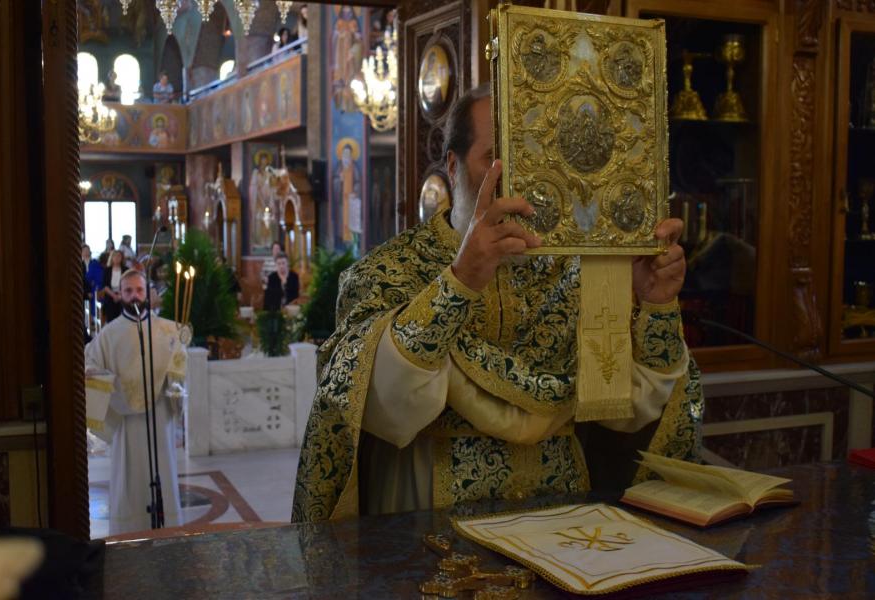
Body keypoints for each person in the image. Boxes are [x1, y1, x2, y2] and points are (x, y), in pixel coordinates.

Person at [292, 85, 700, 522]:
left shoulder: (580, 273)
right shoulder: (388, 270)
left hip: (560, 518)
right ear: (453, 166)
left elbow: (630, 410)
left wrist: (654, 304)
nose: (518, 181)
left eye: (532, 158)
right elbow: (382, 410)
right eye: (496, 158)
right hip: (429, 508)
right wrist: (460, 281)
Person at [85, 269, 186, 535]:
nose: (134, 296)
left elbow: (179, 373)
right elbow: (89, 363)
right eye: (128, 291)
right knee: (129, 476)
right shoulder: (108, 334)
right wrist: (102, 378)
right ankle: (130, 532)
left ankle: (166, 531)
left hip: (160, 417)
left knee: (163, 469)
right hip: (126, 422)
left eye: (139, 290)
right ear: (120, 294)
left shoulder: (169, 330)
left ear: (148, 293)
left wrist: (177, 373)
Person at [99, 250, 125, 324]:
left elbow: (128, 285)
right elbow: (105, 286)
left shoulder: (126, 269)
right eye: (115, 256)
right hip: (110, 295)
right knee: (110, 307)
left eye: (119, 256)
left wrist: (120, 296)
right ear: (111, 258)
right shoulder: (107, 270)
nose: (117, 258)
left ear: (122, 258)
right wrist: (114, 296)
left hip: (123, 295)